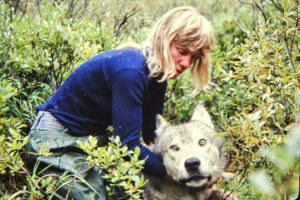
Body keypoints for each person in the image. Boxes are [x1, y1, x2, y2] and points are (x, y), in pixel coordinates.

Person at [25, 6, 215, 200]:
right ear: (164, 40)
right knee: (92, 196)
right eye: (182, 51)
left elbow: (153, 139)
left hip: (92, 140)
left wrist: (191, 168)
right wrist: (174, 176)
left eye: (194, 57)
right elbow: (129, 144)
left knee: (129, 189)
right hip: (52, 140)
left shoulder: (158, 77)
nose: (186, 63)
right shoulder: (131, 71)